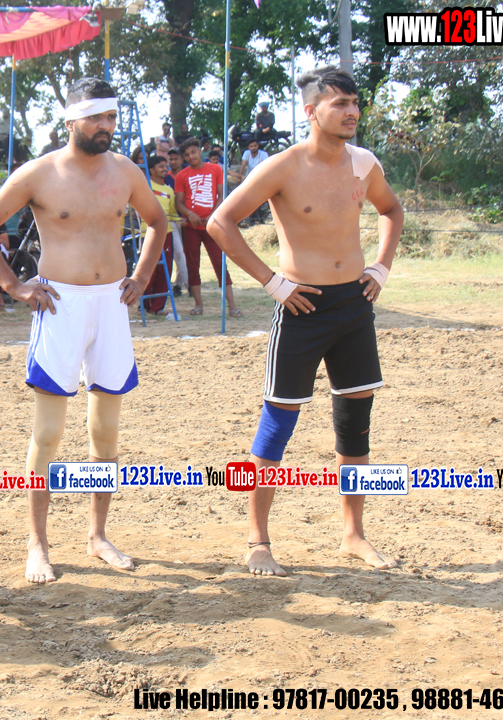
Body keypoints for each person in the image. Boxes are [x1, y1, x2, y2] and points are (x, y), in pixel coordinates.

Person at [0, 77, 169, 584]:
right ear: (71, 119)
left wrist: (142, 275)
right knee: (49, 432)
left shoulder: (125, 170)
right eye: (96, 117)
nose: (106, 126)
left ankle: (98, 535)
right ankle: (37, 543)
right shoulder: (40, 173)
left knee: (106, 429)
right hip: (59, 305)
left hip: (112, 304)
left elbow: (157, 222)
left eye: (111, 117)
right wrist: (13, 285)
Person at [207, 65, 404, 576]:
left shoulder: (364, 164)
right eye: (340, 103)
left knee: (355, 423)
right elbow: (220, 222)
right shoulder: (284, 166)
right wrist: (273, 282)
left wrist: (381, 266)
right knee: (278, 423)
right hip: (301, 308)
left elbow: (392, 210)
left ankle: (354, 535)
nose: (351, 112)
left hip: (354, 306)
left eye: (355, 103)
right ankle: (257, 541)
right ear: (311, 111)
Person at [176, 138, 241, 317]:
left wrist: (212, 215)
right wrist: (190, 214)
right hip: (191, 227)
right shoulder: (182, 175)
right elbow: (179, 202)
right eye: (187, 155)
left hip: (212, 226)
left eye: (193, 152)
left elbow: (221, 195)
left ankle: (232, 306)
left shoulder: (215, 169)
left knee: (220, 263)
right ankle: (198, 304)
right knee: (192, 264)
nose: (191, 157)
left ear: (200, 151)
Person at [140, 156, 178, 314]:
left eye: (165, 166)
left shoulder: (169, 190)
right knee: (148, 268)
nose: (165, 169)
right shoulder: (145, 186)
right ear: (151, 170)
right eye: (161, 166)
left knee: (165, 270)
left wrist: (180, 220)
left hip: (166, 233)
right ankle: (144, 305)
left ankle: (157, 307)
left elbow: (173, 212)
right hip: (148, 231)